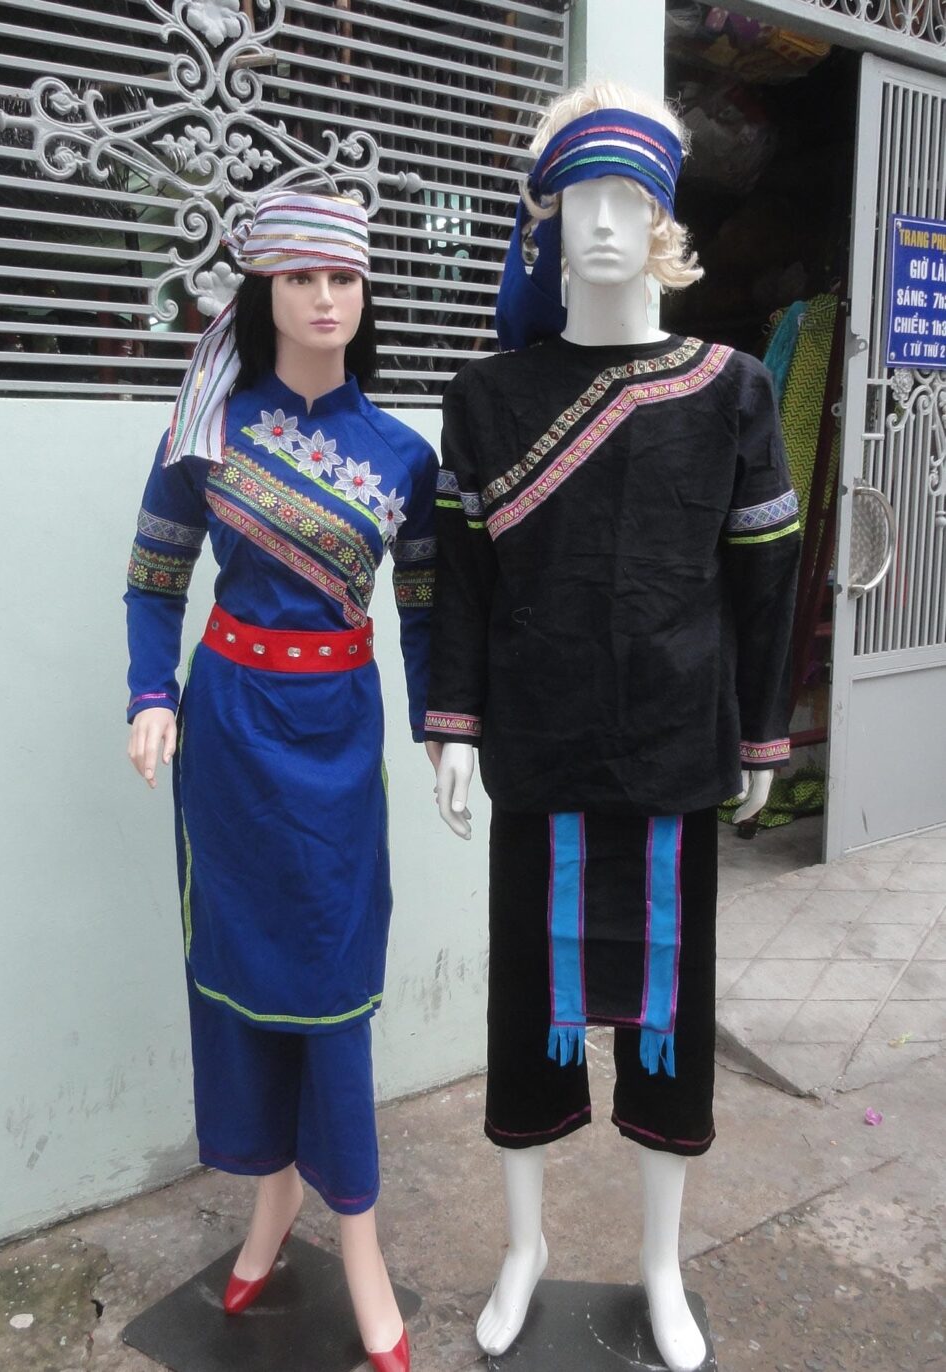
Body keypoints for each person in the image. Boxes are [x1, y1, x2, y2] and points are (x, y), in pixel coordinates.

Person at [425, 82, 799, 1372]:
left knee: (668, 1019)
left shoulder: (730, 389)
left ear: (660, 222)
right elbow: (457, 579)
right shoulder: (485, 397)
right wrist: (451, 725)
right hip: (535, 749)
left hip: (673, 751)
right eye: (576, 196)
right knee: (522, 1002)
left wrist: (760, 735)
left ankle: (658, 1262)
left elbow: (763, 582)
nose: (599, 221)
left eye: (625, 197)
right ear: (542, 221)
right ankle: (522, 1245)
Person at [125, 189, 437, 1372]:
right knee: (243, 972)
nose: (324, 298)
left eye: (343, 277)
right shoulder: (205, 432)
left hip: (339, 736)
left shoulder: (404, 456)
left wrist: (443, 729)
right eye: (300, 277)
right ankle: (272, 1196)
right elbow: (154, 581)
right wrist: (150, 695)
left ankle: (356, 1234)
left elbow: (425, 610)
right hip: (228, 734)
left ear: (365, 291)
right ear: (263, 291)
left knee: (333, 976)